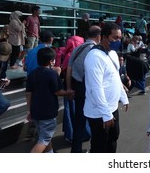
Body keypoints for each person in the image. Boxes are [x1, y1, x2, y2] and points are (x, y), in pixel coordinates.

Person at [83, 22, 129, 153]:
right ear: (103, 37)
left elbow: (115, 78)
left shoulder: (112, 54)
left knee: (113, 140)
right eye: (115, 38)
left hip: (112, 109)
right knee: (100, 146)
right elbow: (95, 88)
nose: (118, 41)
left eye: (119, 38)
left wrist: (123, 97)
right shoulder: (94, 57)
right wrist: (105, 114)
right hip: (99, 113)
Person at [25, 47, 74, 153]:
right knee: (44, 139)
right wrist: (69, 92)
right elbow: (58, 91)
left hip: (35, 111)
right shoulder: (52, 74)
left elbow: (28, 93)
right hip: (48, 112)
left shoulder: (32, 74)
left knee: (44, 137)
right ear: (51, 61)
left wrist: (29, 110)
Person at [65, 25, 101, 153]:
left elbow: (69, 69)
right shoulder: (96, 50)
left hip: (77, 88)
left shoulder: (77, 48)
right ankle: (95, 150)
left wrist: (69, 88)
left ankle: (76, 150)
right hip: (91, 89)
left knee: (79, 120)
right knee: (96, 121)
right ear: (98, 37)